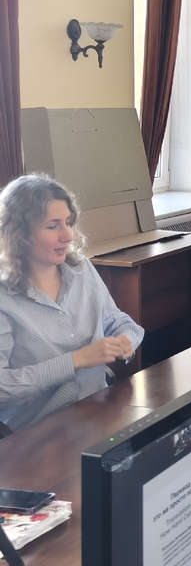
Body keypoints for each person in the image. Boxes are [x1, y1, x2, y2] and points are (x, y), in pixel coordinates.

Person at [0, 173, 144, 433]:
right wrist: (76, 360)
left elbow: (119, 322)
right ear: (19, 234)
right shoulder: (4, 297)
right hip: (37, 435)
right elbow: (2, 389)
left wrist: (126, 339)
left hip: (97, 413)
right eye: (53, 226)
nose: (67, 236)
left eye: (68, 222)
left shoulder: (81, 269)